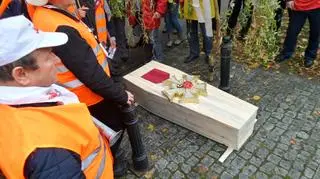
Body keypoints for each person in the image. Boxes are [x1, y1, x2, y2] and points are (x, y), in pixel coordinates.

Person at [27, 0, 135, 176]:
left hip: (81, 94)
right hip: (90, 97)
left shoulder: (47, 14)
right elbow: (90, 74)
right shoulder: (58, 25)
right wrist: (120, 95)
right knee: (113, 128)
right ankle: (114, 161)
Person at [0, 15, 114, 178]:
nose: (56, 59)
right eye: (48, 57)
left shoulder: (20, 106)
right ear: (21, 74)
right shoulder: (48, 153)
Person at [275, 0, 320, 68]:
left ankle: (310, 57)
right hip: (298, 6)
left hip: (317, 6)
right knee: (292, 32)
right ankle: (286, 53)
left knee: (315, 33)